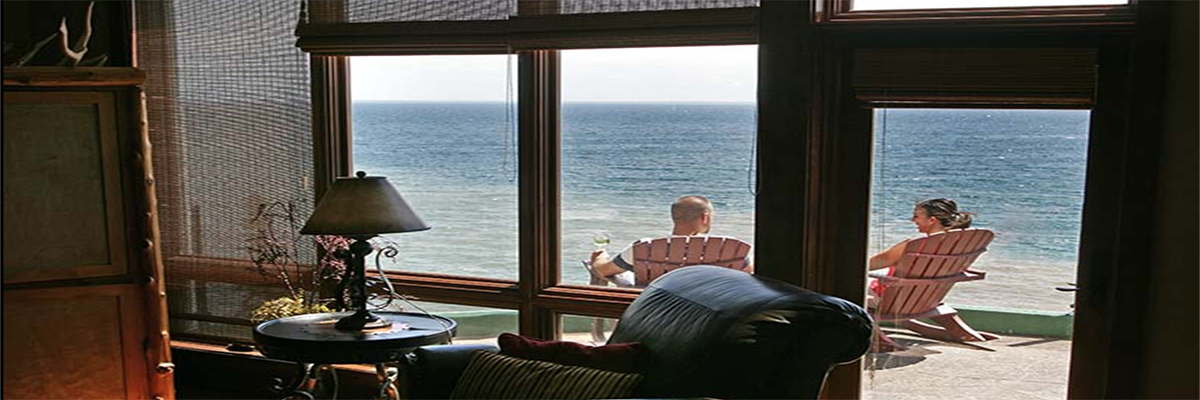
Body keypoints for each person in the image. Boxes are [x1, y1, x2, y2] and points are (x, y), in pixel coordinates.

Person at [589, 195, 735, 278]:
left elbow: (603, 270)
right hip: (708, 317)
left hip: (655, 316)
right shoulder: (728, 249)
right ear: (705, 218)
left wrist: (598, 258)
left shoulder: (645, 247)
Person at [868, 198, 974, 296]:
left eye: (916, 217)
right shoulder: (956, 247)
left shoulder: (914, 246)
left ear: (932, 220)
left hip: (890, 298)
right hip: (928, 298)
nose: (913, 220)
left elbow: (868, 265)